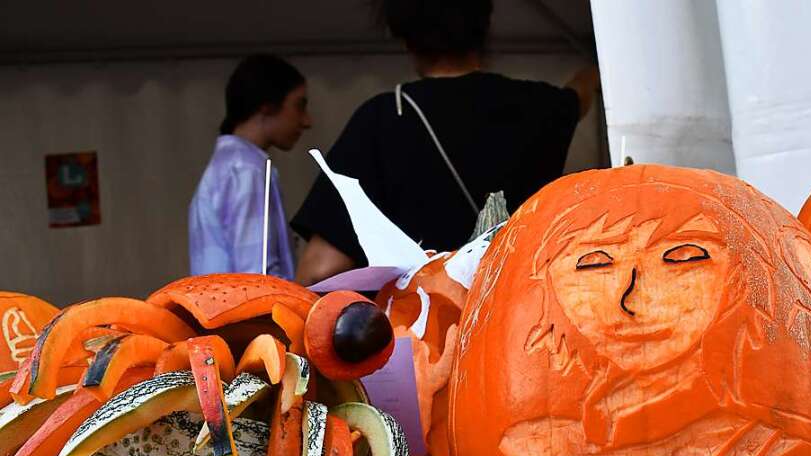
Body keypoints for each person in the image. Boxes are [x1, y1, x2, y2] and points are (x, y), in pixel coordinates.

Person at [292, 0, 599, 285]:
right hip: (522, 321)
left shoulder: (384, 117)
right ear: (485, 25)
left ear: (405, 37)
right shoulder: (543, 107)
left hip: (422, 329)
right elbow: (578, 96)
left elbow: (322, 268)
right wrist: (595, 70)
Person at [189, 54, 312, 279]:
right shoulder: (247, 169)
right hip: (253, 313)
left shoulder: (227, 166)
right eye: (299, 106)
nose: (307, 121)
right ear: (267, 106)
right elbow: (258, 276)